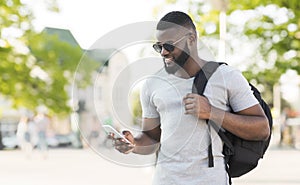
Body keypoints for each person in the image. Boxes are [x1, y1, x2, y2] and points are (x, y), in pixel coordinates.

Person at [112, 11, 270, 185]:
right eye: (159, 47)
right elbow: (152, 138)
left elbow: (261, 129)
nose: (163, 52)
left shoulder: (226, 76)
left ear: (191, 39)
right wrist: (133, 144)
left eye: (170, 45)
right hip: (165, 180)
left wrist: (212, 112)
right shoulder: (152, 84)